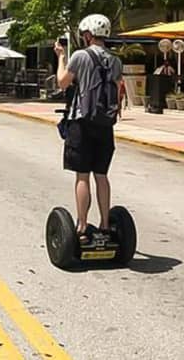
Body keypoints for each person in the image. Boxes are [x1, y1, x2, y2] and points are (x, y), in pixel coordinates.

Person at [54, 14, 124, 244]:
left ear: (87, 35)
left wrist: (61, 57)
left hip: (82, 122)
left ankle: (82, 225)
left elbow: (63, 82)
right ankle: (105, 224)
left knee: (82, 176)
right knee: (101, 176)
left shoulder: (80, 56)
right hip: (105, 124)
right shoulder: (115, 61)